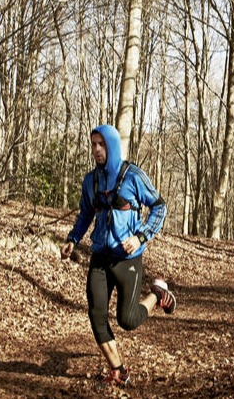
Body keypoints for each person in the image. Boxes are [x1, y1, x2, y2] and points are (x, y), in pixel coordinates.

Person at [60, 124, 176, 387]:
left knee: (128, 320)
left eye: (101, 144)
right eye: (93, 144)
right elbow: (85, 214)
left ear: (111, 146)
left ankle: (158, 294)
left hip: (127, 259)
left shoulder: (133, 176)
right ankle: (119, 370)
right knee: (96, 315)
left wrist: (140, 237)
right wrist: (72, 239)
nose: (97, 150)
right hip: (100, 257)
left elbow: (160, 207)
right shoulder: (91, 181)